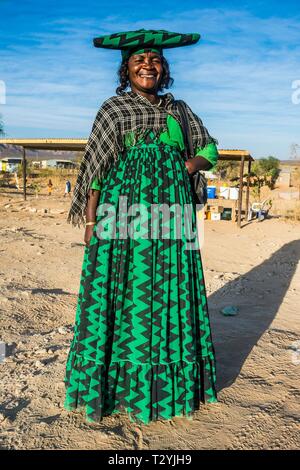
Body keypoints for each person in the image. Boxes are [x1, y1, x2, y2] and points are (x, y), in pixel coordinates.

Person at [64, 29, 219, 425]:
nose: (147, 66)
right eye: (139, 61)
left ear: (164, 69)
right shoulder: (113, 109)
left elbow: (209, 149)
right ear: (126, 69)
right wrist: (89, 218)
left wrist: (187, 166)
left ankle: (167, 386)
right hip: (122, 212)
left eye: (155, 60)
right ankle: (117, 387)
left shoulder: (180, 110)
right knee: (123, 287)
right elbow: (96, 169)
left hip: (171, 213)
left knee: (169, 290)